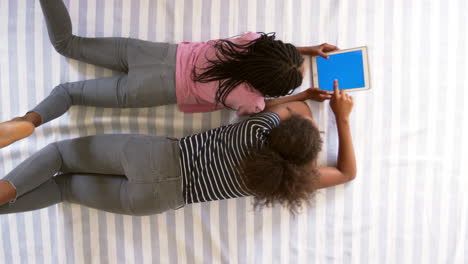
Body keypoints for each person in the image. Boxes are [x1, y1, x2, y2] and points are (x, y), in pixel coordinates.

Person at [0, 0, 337, 148]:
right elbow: (264, 108)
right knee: (69, 93)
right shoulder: (250, 98)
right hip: (152, 89)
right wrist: (303, 96)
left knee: (67, 43)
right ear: (268, 87)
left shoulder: (246, 44)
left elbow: (267, 52)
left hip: (152, 53)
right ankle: (30, 120)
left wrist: (306, 50)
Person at [0, 80, 355, 215]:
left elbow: (291, 109)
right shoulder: (281, 183)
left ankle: (6, 189)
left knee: (61, 155)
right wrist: (343, 122)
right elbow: (345, 172)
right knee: (63, 188)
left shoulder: (259, 127)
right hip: (157, 200)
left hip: (156, 158)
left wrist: (314, 104)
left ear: (282, 131)